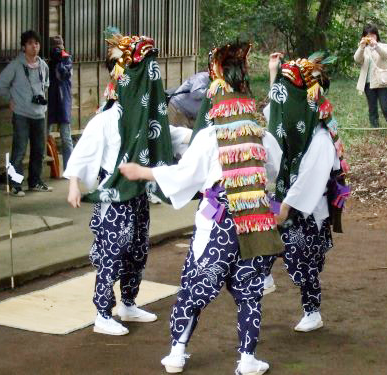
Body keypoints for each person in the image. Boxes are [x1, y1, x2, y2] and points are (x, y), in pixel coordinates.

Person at [121, 41, 283, 375]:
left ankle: (177, 352)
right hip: (254, 218)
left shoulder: (210, 136)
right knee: (249, 290)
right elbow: (275, 170)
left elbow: (185, 175)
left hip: (220, 222)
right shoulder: (261, 134)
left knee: (197, 285)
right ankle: (247, 359)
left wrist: (144, 172)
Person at [64, 28, 191, 336]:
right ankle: (102, 313)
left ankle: (128, 303)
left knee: (137, 249)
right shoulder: (108, 117)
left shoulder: (147, 116)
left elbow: (169, 137)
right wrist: (73, 183)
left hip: (137, 194)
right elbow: (84, 149)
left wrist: (203, 138)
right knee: (112, 253)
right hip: (115, 196)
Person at [266, 51, 349, 332]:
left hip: (307, 209)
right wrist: (272, 73)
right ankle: (262, 278)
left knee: (303, 259)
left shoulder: (322, 137)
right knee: (268, 237)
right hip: (284, 197)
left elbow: (310, 179)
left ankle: (312, 311)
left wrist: (287, 206)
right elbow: (275, 115)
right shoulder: (301, 126)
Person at [0, 30, 52, 196]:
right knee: (19, 150)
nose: (34, 46)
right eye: (30, 43)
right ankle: (15, 184)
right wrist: (10, 99)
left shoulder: (43, 65)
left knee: (39, 150)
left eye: (37, 43)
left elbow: (46, 84)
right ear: (23, 47)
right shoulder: (16, 65)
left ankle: (35, 181)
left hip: (39, 114)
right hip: (21, 114)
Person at [354, 24, 387, 129]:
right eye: (367, 35)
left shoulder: (383, 46)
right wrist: (361, 47)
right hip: (368, 82)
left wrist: (376, 46)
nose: (370, 38)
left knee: (386, 107)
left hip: (382, 81)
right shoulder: (363, 48)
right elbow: (357, 59)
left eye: (372, 35)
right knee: (372, 108)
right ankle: (375, 129)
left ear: (376, 35)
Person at [47, 35, 74, 172]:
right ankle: (51, 168)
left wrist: (59, 61)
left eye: (60, 48)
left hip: (63, 101)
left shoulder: (67, 59)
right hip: (50, 101)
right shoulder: (47, 62)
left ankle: (69, 169)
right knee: (44, 135)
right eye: (55, 49)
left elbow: (63, 74)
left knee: (66, 137)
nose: (58, 51)